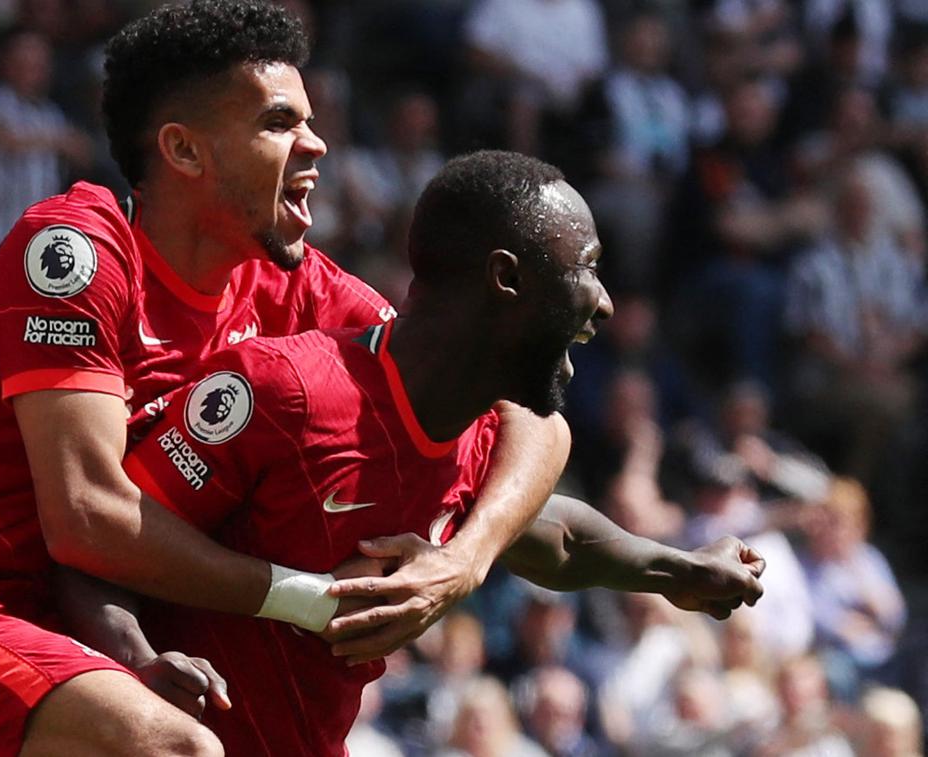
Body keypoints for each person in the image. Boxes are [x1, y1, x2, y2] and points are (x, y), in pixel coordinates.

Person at [0, 3, 570, 755]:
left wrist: (461, 562)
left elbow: (523, 399)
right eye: (279, 122)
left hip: (71, 660)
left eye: (310, 118)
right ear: (185, 150)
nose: (317, 144)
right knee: (171, 747)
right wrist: (309, 597)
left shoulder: (304, 293)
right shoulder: (78, 252)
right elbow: (88, 516)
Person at [118, 151, 766, 755]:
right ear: (507, 277)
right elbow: (106, 540)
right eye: (587, 267)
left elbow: (557, 537)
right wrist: (138, 657)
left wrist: (680, 569)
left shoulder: (476, 437)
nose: (604, 301)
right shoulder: (285, 391)